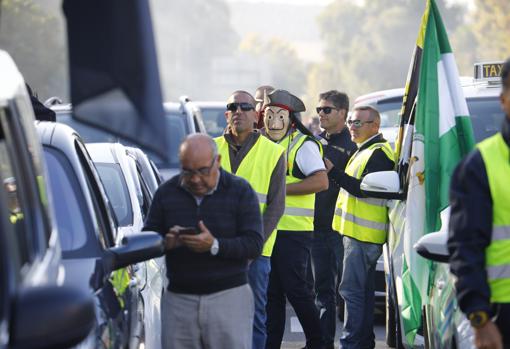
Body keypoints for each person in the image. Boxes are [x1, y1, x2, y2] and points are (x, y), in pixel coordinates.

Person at [143, 134, 263, 349]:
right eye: (188, 171)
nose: (196, 179)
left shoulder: (240, 191)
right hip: (179, 301)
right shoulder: (166, 192)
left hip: (228, 298)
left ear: (217, 161)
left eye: (202, 171)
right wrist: (165, 243)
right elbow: (147, 238)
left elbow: (254, 244)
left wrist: (215, 245)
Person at [215, 90, 286, 349]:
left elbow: (276, 206)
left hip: (257, 253)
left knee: (254, 317)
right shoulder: (212, 148)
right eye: (232, 106)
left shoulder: (273, 153)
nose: (238, 111)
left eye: (245, 106)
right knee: (217, 318)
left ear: (256, 115)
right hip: (217, 250)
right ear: (226, 114)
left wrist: (252, 247)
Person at [448, 58, 510, 349]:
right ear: (504, 101)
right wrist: (480, 319)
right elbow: (465, 246)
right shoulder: (479, 165)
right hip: (502, 315)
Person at [262, 89, 328, 349]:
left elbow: (321, 181)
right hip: (269, 230)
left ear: (291, 119)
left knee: (297, 291)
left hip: (293, 232)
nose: (273, 121)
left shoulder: (303, 144)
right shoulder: (265, 144)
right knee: (272, 295)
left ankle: (318, 342)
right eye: (268, 115)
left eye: (280, 115)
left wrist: (280, 190)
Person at [326, 105, 395, 349]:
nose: (351, 127)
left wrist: (332, 171)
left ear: (374, 126)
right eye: (350, 123)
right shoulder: (364, 149)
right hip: (356, 235)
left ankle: (351, 343)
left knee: (352, 293)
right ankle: (363, 342)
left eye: (358, 123)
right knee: (361, 294)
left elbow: (363, 190)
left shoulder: (378, 153)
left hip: (363, 237)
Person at [312, 90, 356, 348]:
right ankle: (323, 343)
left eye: (326, 110)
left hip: (343, 229)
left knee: (348, 292)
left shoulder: (353, 145)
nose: (321, 114)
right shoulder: (314, 142)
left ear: (342, 113)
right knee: (322, 293)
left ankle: (352, 342)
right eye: (319, 110)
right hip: (317, 229)